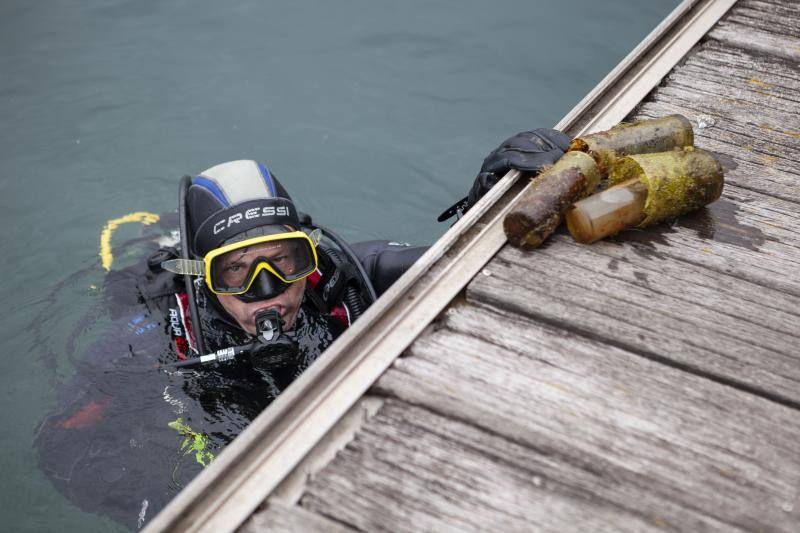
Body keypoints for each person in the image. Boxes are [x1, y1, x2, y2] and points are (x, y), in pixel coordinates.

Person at [34, 129, 570, 529]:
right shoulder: (150, 339)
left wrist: (495, 200)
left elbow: (452, 262)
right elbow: (61, 448)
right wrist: (167, 503)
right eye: (237, 271)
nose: (269, 292)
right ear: (202, 280)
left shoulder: (344, 280)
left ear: (308, 254)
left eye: (284, 261)